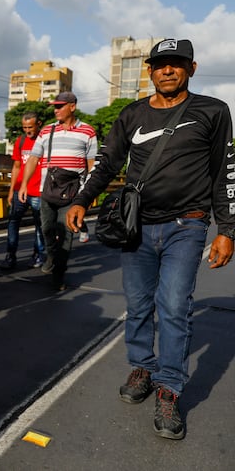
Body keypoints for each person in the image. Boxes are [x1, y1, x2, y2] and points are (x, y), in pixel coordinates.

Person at [66, 38, 235, 440]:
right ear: (150, 70)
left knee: (174, 306)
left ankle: (169, 390)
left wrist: (227, 230)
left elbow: (224, 172)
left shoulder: (212, 111)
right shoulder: (133, 114)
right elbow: (107, 162)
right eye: (161, 65)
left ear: (191, 69)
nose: (168, 71)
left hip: (187, 226)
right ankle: (142, 366)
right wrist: (81, 200)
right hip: (136, 227)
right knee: (139, 305)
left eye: (177, 64)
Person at [18, 91, 96, 290]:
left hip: (73, 194)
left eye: (60, 106)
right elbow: (33, 159)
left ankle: (58, 274)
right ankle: (51, 255)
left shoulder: (88, 132)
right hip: (48, 191)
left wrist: (89, 193)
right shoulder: (46, 131)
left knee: (67, 235)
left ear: (72, 106)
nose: (56, 110)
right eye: (55, 106)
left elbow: (91, 163)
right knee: (46, 230)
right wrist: (24, 184)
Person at [0, 112, 46, 269]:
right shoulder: (20, 141)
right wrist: (11, 190)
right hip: (20, 190)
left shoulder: (45, 141)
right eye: (25, 127)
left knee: (40, 225)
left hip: (38, 191)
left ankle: (38, 254)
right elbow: (16, 167)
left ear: (38, 124)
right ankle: (10, 255)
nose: (28, 130)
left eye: (30, 127)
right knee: (13, 222)